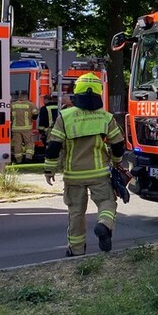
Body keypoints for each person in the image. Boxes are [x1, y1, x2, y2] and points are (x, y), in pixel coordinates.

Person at [43, 73, 126, 257]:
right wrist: (117, 162)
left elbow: (53, 146)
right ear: (99, 92)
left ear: (76, 91)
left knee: (76, 213)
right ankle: (104, 224)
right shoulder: (106, 117)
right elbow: (118, 144)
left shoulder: (65, 117)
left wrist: (49, 169)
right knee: (107, 202)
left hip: (73, 175)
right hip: (99, 174)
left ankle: (76, 250)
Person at [10, 90, 39, 164]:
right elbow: (35, 114)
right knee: (29, 142)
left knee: (17, 144)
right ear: (26, 96)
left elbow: (9, 116)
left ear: (19, 96)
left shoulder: (12, 105)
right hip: (27, 128)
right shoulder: (30, 104)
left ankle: (18, 160)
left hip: (15, 128)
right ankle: (28, 157)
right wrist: (32, 118)